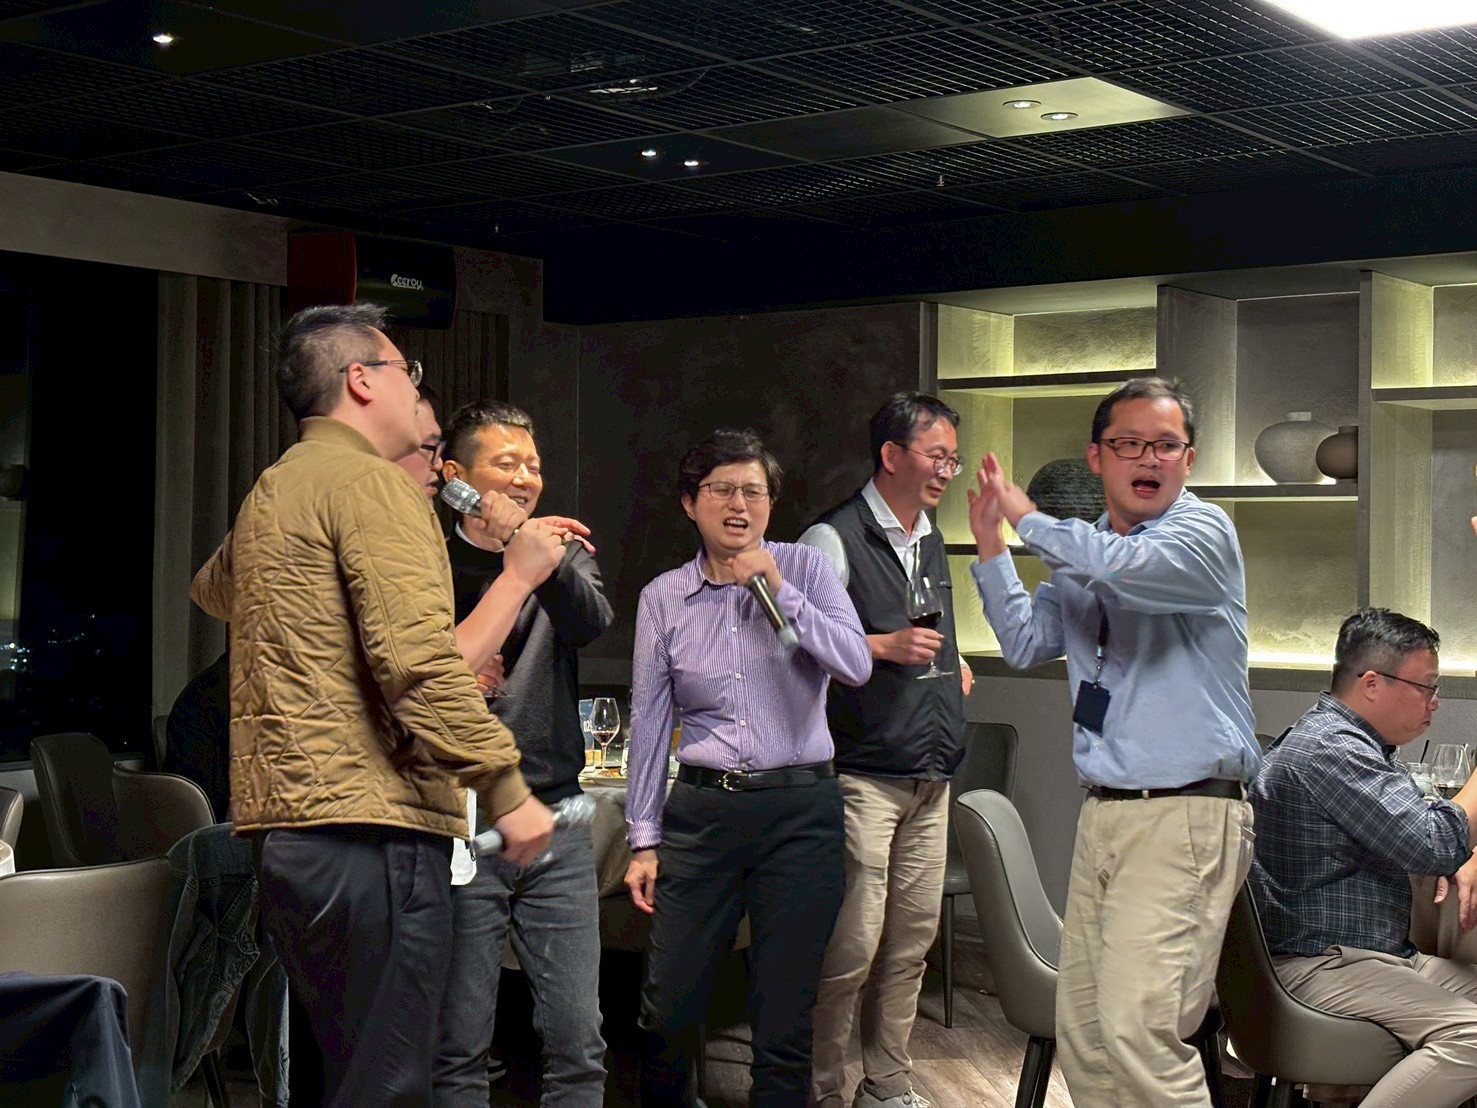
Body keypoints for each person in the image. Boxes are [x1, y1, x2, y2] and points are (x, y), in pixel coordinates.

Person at [189, 302, 554, 1108]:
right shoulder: (372, 488)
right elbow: (418, 666)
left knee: (335, 1080)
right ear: (360, 380)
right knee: (388, 1084)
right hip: (372, 828)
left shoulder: (278, 485)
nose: (413, 387)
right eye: (405, 372)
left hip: (291, 835)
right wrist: (505, 787)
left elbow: (214, 589)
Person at [967, 376, 1259, 1107]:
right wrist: (991, 548)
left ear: (1188, 460)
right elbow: (1025, 642)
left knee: (1140, 1033)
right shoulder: (1088, 549)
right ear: (1097, 457)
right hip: (1106, 811)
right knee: (1088, 1036)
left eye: (1165, 445)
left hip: (1185, 813)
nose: (1148, 458)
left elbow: (1128, 573)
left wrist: (1027, 518)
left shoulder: (1202, 533)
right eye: (1129, 443)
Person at [623, 428, 871, 1107]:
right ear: (690, 503)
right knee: (668, 1008)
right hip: (703, 816)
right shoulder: (663, 597)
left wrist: (779, 592)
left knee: (784, 1017)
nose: (739, 505)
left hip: (800, 815)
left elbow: (854, 664)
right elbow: (649, 721)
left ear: (770, 503)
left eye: (754, 492)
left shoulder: (807, 569)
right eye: (723, 490)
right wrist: (642, 838)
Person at [432, 400, 613, 1108]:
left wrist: (533, 553)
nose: (525, 478)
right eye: (505, 464)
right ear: (456, 475)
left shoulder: (561, 552)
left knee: (578, 1040)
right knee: (458, 1047)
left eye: (532, 466)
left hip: (556, 817)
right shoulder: (424, 557)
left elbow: (591, 622)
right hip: (458, 819)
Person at [800, 392, 972, 1108]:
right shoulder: (830, 539)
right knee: (849, 952)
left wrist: (955, 664)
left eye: (954, 460)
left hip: (931, 773)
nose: (948, 472)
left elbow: (931, 637)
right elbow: (792, 643)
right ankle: (821, 1092)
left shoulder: (929, 537)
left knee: (908, 950)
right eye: (938, 457)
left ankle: (887, 1086)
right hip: (861, 777)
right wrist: (878, 646)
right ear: (892, 456)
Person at [1250, 607, 1477, 1108]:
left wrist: (1456, 850)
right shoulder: (1331, 750)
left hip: (1373, 953)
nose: (1435, 703)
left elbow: (1423, 838)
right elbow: (1434, 843)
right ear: (1372, 683)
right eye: (1426, 687)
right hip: (1318, 964)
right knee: (1472, 1039)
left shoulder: (1353, 744)